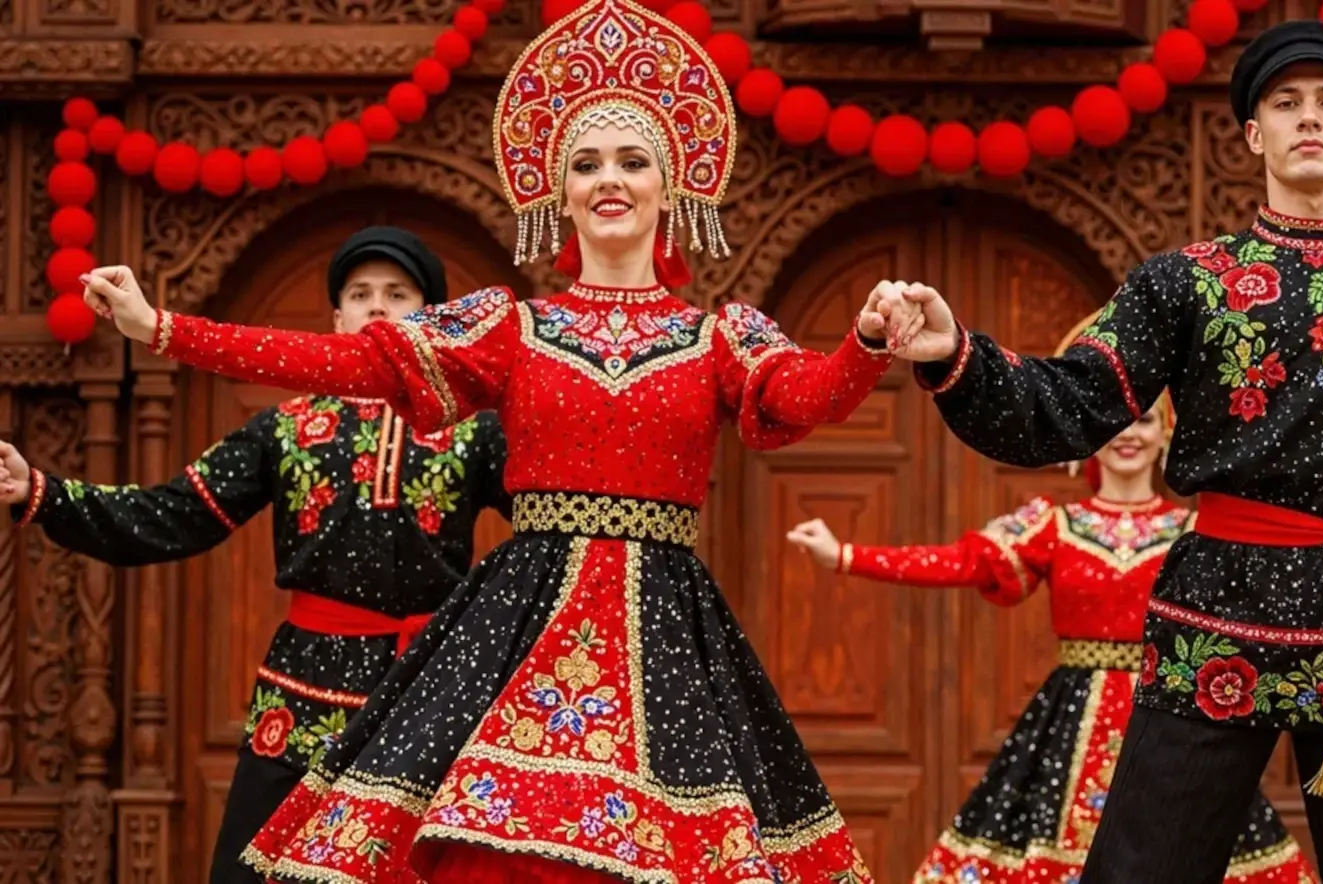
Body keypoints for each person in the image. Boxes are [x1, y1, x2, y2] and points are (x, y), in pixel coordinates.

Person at [73, 0, 929, 879]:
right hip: (525, 618)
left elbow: (804, 397)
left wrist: (865, 344)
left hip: (665, 631)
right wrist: (163, 328)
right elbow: (347, 361)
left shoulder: (719, 337)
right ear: (559, 192)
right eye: (586, 163)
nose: (609, 180)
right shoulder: (511, 328)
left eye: (633, 161)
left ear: (670, 186)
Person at [874, 18, 1323, 883]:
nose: (1309, 117)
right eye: (1285, 103)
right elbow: (1066, 405)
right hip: (1219, 603)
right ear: (1254, 135)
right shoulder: (1186, 282)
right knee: (1144, 870)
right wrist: (955, 354)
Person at [0, 226, 506, 884]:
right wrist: (40, 492)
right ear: (337, 318)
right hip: (300, 692)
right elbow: (172, 515)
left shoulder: (474, 431)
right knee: (252, 871)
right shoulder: (285, 429)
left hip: (425, 688)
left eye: (397, 293)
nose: (377, 307)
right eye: (360, 294)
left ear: (428, 318)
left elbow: (550, 521)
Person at [787, 315, 1316, 884]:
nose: (1128, 435)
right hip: (1068, 721)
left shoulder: (1194, 533)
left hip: (1169, 716)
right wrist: (845, 554)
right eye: (1116, 424)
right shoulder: (1054, 524)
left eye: (1143, 421)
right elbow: (962, 562)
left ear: (1166, 433)